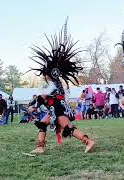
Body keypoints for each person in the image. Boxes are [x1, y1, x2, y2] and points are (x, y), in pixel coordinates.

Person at [27, 24, 94, 154]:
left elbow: (43, 97)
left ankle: (88, 142)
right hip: (56, 108)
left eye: (45, 72)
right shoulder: (56, 83)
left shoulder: (52, 85)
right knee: (42, 124)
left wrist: (33, 106)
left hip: (57, 109)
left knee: (68, 128)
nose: (44, 74)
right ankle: (40, 147)